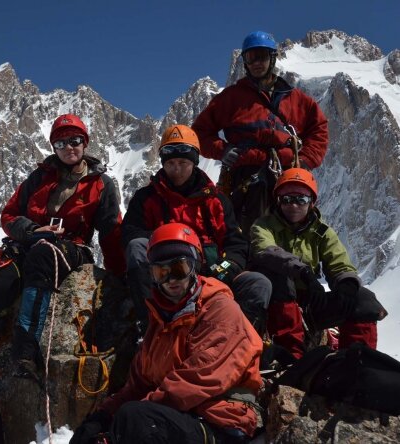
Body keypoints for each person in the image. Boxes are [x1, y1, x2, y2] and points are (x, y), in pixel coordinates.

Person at [0, 114, 125, 379]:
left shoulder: (101, 184)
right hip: (31, 241)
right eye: (61, 143)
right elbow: (9, 216)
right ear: (53, 148)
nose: (69, 147)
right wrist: (33, 230)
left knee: (42, 255)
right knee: (0, 280)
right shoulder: (39, 177)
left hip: (72, 247)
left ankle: (25, 350)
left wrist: (120, 275)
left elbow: (110, 232)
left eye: (74, 141)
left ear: (85, 143)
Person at [70, 223, 263, 444]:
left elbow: (198, 380)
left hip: (221, 424)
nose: (171, 279)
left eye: (179, 269)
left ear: (194, 267)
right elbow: (137, 386)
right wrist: (102, 417)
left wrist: (135, 412)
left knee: (136, 419)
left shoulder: (220, 310)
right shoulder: (160, 321)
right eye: (161, 272)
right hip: (178, 416)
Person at [122, 124, 271, 335]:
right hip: (165, 280)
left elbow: (236, 244)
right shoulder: (146, 198)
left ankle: (237, 343)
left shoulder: (216, 200)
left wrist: (225, 268)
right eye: (171, 163)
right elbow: (131, 233)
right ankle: (151, 332)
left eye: (183, 163)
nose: (176, 169)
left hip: (210, 278)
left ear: (194, 162)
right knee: (137, 247)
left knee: (258, 284)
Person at [192, 31, 328, 236]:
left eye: (262, 56)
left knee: (297, 226)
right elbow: (199, 133)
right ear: (245, 62)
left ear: (272, 58)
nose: (256, 63)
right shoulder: (230, 98)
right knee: (249, 233)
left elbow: (319, 128)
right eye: (250, 57)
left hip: (287, 172)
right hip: (245, 177)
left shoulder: (296, 99)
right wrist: (223, 150)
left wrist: (306, 160)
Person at [250, 167, 385, 360]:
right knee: (279, 278)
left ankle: (356, 361)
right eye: (286, 199)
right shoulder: (263, 225)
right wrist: (303, 272)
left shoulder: (322, 232)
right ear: (278, 201)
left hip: (310, 302)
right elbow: (265, 251)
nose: (294, 205)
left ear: (312, 202)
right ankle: (291, 358)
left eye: (301, 199)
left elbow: (340, 265)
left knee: (363, 299)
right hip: (276, 304)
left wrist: (347, 284)